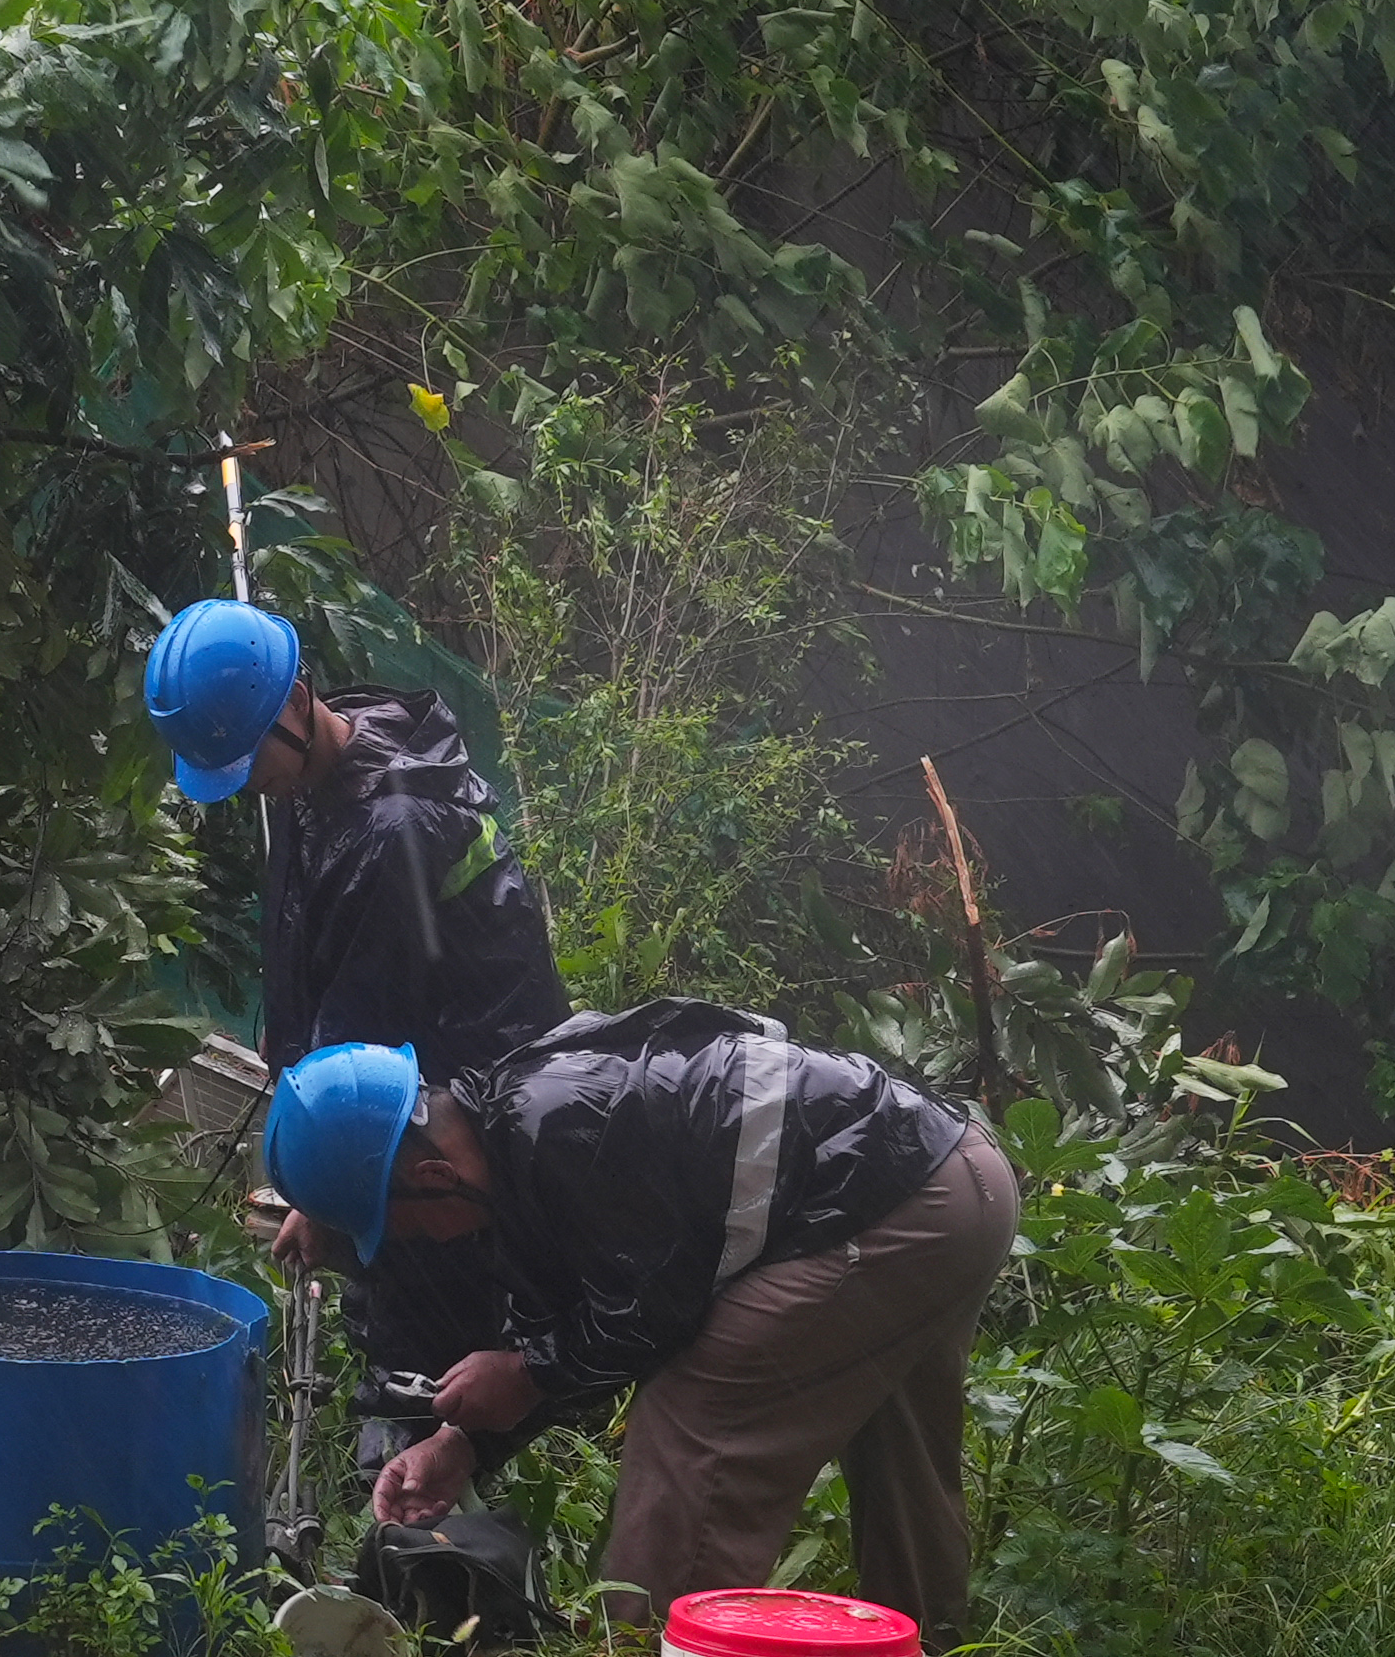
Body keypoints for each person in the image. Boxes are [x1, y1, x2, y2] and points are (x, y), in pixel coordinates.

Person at [263, 1014, 1021, 1636]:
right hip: (953, 1179)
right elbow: (566, 1311)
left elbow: (652, 1316)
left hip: (897, 1205)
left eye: (404, 1232)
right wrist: (465, 1442)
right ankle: (930, 1633)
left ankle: (647, 1642)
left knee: (700, 1415)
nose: (426, 1245)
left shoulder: (569, 1131)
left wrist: (528, 1374)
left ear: (431, 1178)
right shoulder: (509, 1122)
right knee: (900, 1449)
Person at [146, 600, 569, 1413]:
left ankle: (416, 1487)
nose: (248, 785)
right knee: (388, 1282)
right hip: (397, 1083)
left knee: (425, 1318)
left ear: (299, 698)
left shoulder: (395, 827)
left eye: (248, 759)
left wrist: (320, 1190)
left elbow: (369, 1026)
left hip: (448, 1099)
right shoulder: (326, 765)